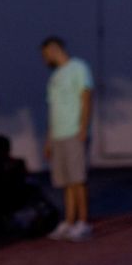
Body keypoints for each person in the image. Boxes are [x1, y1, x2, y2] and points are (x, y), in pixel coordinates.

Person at [40, 36, 93, 242]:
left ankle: (83, 221)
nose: (45, 59)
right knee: (66, 181)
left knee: (78, 178)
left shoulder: (78, 67)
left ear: (55, 49)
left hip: (73, 131)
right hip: (58, 134)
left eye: (46, 54)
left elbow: (86, 96)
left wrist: (83, 127)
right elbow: (53, 109)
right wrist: (48, 139)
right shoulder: (54, 76)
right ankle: (69, 221)